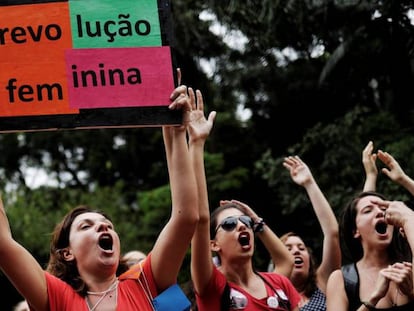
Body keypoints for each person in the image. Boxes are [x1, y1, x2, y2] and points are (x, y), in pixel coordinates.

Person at [0, 80, 199, 311]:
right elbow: (3, 244)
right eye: (86, 226)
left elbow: (186, 218)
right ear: (67, 253)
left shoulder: (145, 283)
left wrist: (175, 131)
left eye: (108, 225)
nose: (103, 228)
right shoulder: (56, 297)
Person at [188, 88, 300, 310]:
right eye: (230, 224)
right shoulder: (213, 288)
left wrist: (256, 220)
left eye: (246, 223)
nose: (242, 226)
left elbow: (285, 261)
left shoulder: (278, 283)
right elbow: (200, 220)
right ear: (213, 245)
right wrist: (197, 143)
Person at [326, 191, 414, 310]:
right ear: (355, 231)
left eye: (384, 209)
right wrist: (374, 298)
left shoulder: (410, 266)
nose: (379, 212)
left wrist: (411, 293)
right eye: (368, 210)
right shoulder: (341, 279)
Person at [278, 156, 341, 310]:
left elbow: (332, 232)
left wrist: (309, 183)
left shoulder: (323, 282)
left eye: (301, 248)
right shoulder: (269, 292)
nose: (296, 251)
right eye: (289, 248)